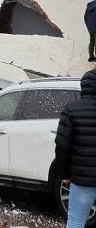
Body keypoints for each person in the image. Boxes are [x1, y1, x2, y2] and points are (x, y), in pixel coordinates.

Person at [55, 68, 96, 228]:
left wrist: (63, 173)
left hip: (82, 180)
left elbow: (62, 146)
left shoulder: (71, 109)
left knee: (76, 222)